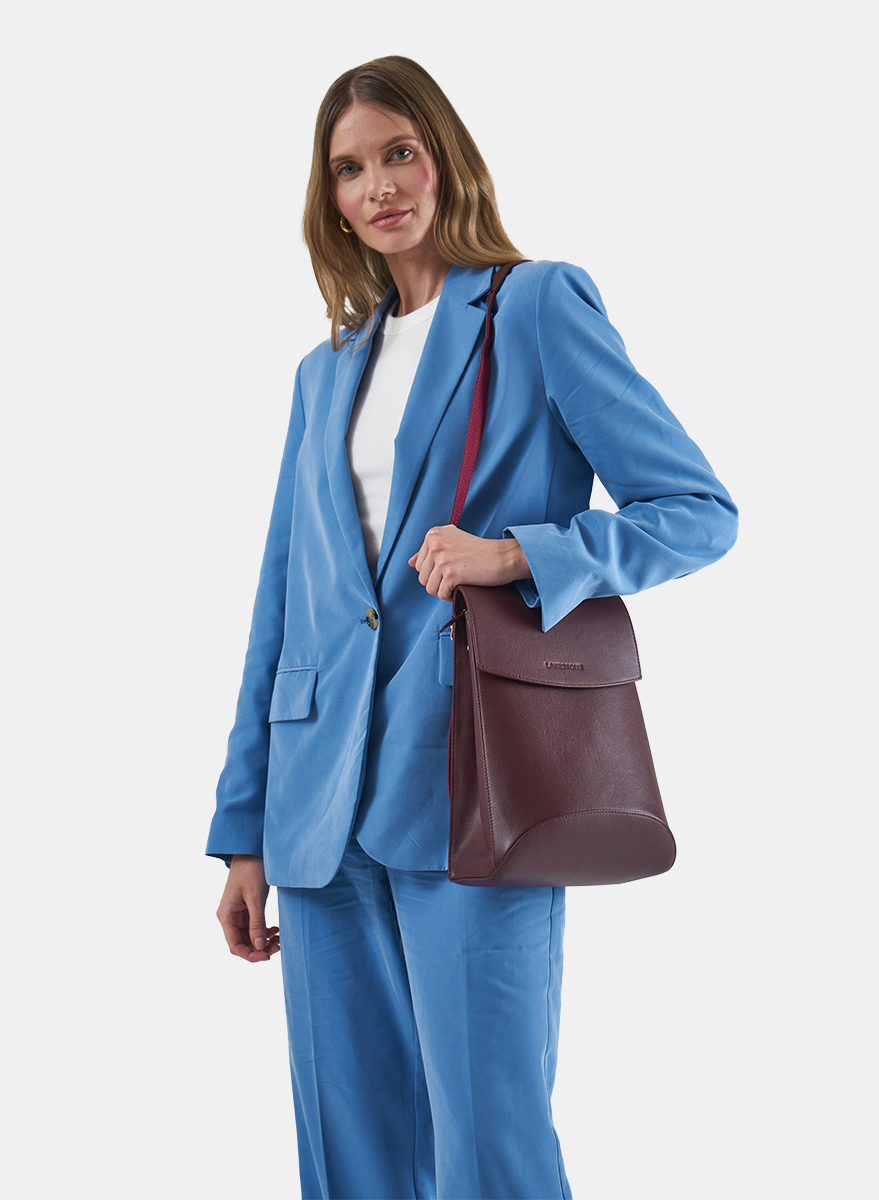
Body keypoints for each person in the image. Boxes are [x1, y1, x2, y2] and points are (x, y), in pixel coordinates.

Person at [206, 54, 738, 1200]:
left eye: (399, 152)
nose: (378, 186)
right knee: (351, 1162)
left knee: (490, 1150)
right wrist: (243, 829)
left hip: (472, 787)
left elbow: (697, 513)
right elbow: (281, 604)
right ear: (329, 196)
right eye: (349, 168)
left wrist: (522, 555)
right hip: (314, 806)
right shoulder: (322, 372)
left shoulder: (533, 307)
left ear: (444, 157)